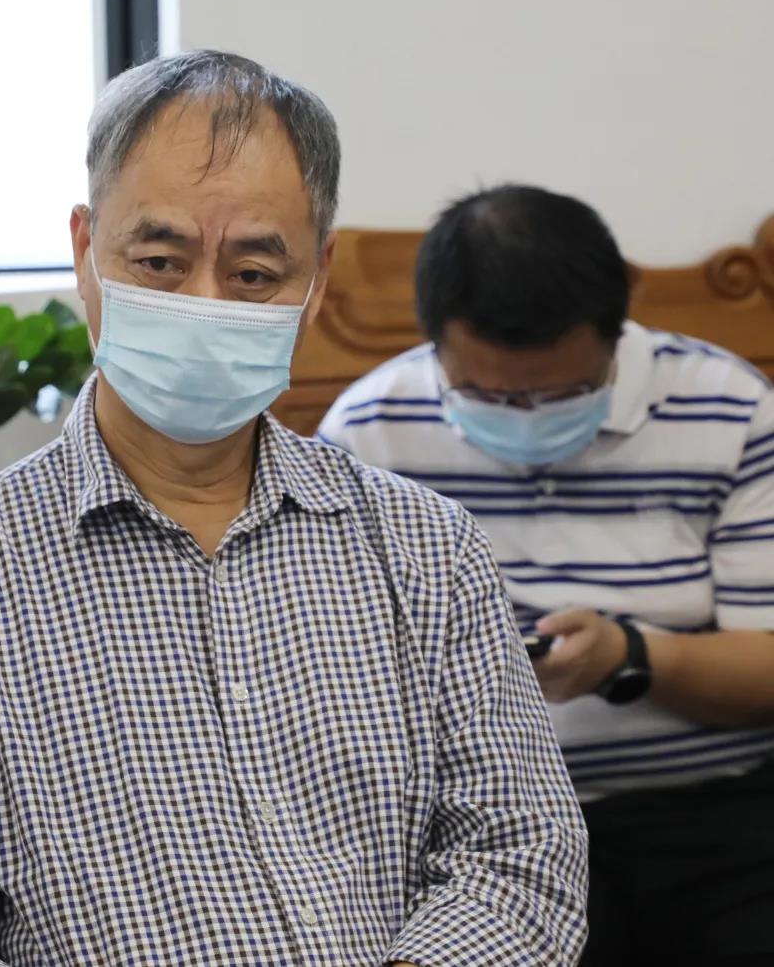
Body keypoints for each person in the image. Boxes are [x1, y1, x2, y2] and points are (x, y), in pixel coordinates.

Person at [0, 56, 587, 966]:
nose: (204, 304)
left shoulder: (427, 551)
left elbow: (522, 853)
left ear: (317, 278)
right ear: (85, 248)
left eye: (255, 273)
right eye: (159, 262)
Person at [319, 183, 774, 967]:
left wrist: (627, 656)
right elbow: (330, 676)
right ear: (436, 343)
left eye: (564, 393)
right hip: (486, 829)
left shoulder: (731, 409)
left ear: (616, 329)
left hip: (716, 811)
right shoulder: (367, 436)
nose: (525, 415)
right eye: (486, 395)